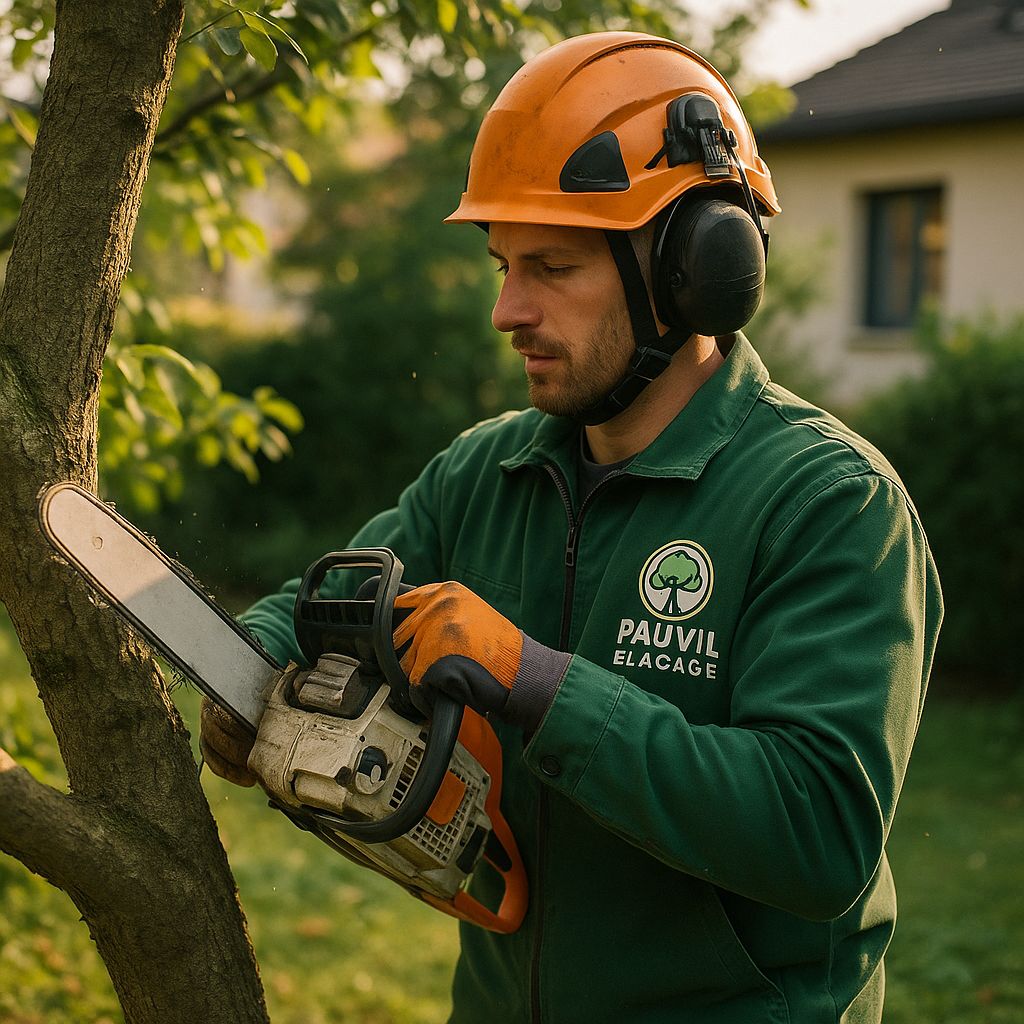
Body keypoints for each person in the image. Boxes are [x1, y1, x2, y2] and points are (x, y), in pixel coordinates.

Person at [200, 31, 942, 1024]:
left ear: (693, 268)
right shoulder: (491, 468)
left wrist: (536, 680)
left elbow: (817, 834)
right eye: (504, 264)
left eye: (550, 266)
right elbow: (325, 600)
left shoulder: (826, 501)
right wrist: (247, 663)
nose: (508, 310)